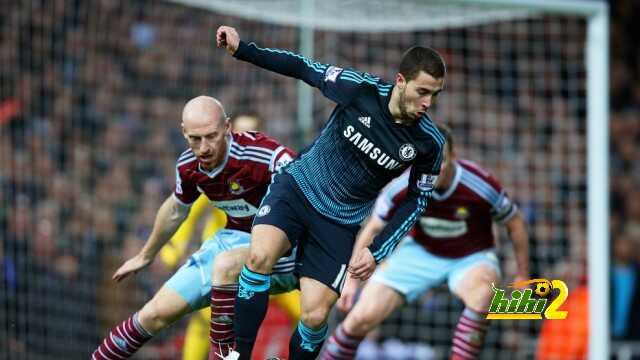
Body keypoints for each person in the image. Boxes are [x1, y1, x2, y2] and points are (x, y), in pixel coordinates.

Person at [215, 25, 446, 360]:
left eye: (435, 95)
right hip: (298, 188)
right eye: (423, 91)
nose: (428, 102)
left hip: (339, 222)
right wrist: (243, 49)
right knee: (258, 258)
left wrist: (377, 251)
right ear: (400, 81)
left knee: (314, 316)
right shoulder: (359, 90)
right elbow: (303, 68)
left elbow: (417, 199)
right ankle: (239, 355)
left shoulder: (429, 143)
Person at [91, 96, 298, 360]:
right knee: (154, 314)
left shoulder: (266, 155)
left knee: (309, 315)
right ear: (184, 133)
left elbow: (309, 191)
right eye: (195, 139)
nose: (204, 148)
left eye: (211, 136)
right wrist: (146, 254)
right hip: (231, 241)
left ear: (227, 128)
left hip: (283, 249)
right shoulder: (189, 166)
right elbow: (177, 208)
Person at [320, 125, 530, 360]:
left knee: (482, 295)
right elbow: (373, 228)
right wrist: (350, 282)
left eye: (441, 161)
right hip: (418, 253)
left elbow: (515, 222)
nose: (434, 168)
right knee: (359, 319)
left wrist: (522, 273)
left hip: (471, 256)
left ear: (453, 158)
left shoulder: (480, 185)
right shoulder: (401, 186)